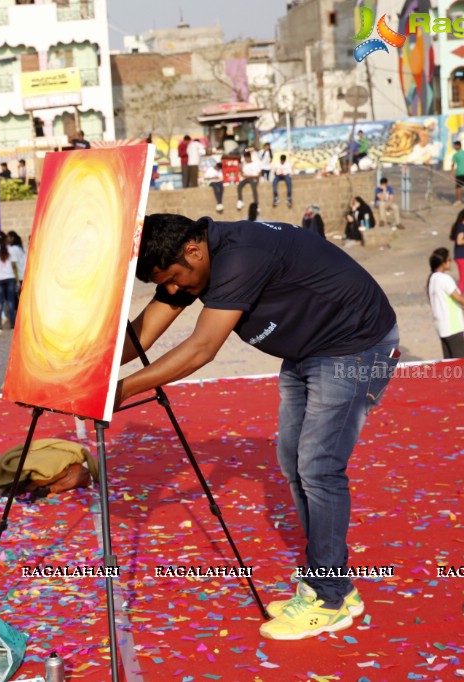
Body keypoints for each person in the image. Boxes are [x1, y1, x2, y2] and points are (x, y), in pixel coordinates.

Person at [115, 213, 399, 640]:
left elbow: (201, 349)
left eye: (173, 278)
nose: (173, 289)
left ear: (192, 250)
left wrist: (118, 393)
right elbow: (141, 336)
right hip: (312, 348)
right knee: (294, 464)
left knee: (319, 468)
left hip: (355, 346)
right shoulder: (194, 261)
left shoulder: (240, 255)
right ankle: (337, 585)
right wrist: (87, 367)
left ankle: (328, 599)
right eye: (165, 283)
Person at [427, 247, 464, 359]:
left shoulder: (432, 278)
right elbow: (459, 299)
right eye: (449, 260)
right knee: (459, 363)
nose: (451, 262)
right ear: (443, 262)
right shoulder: (445, 279)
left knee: (449, 363)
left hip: (441, 327)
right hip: (452, 327)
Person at [0, 231, 20, 330]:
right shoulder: (11, 249)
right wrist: (17, 279)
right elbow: (14, 266)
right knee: (11, 302)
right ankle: (12, 324)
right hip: (10, 278)